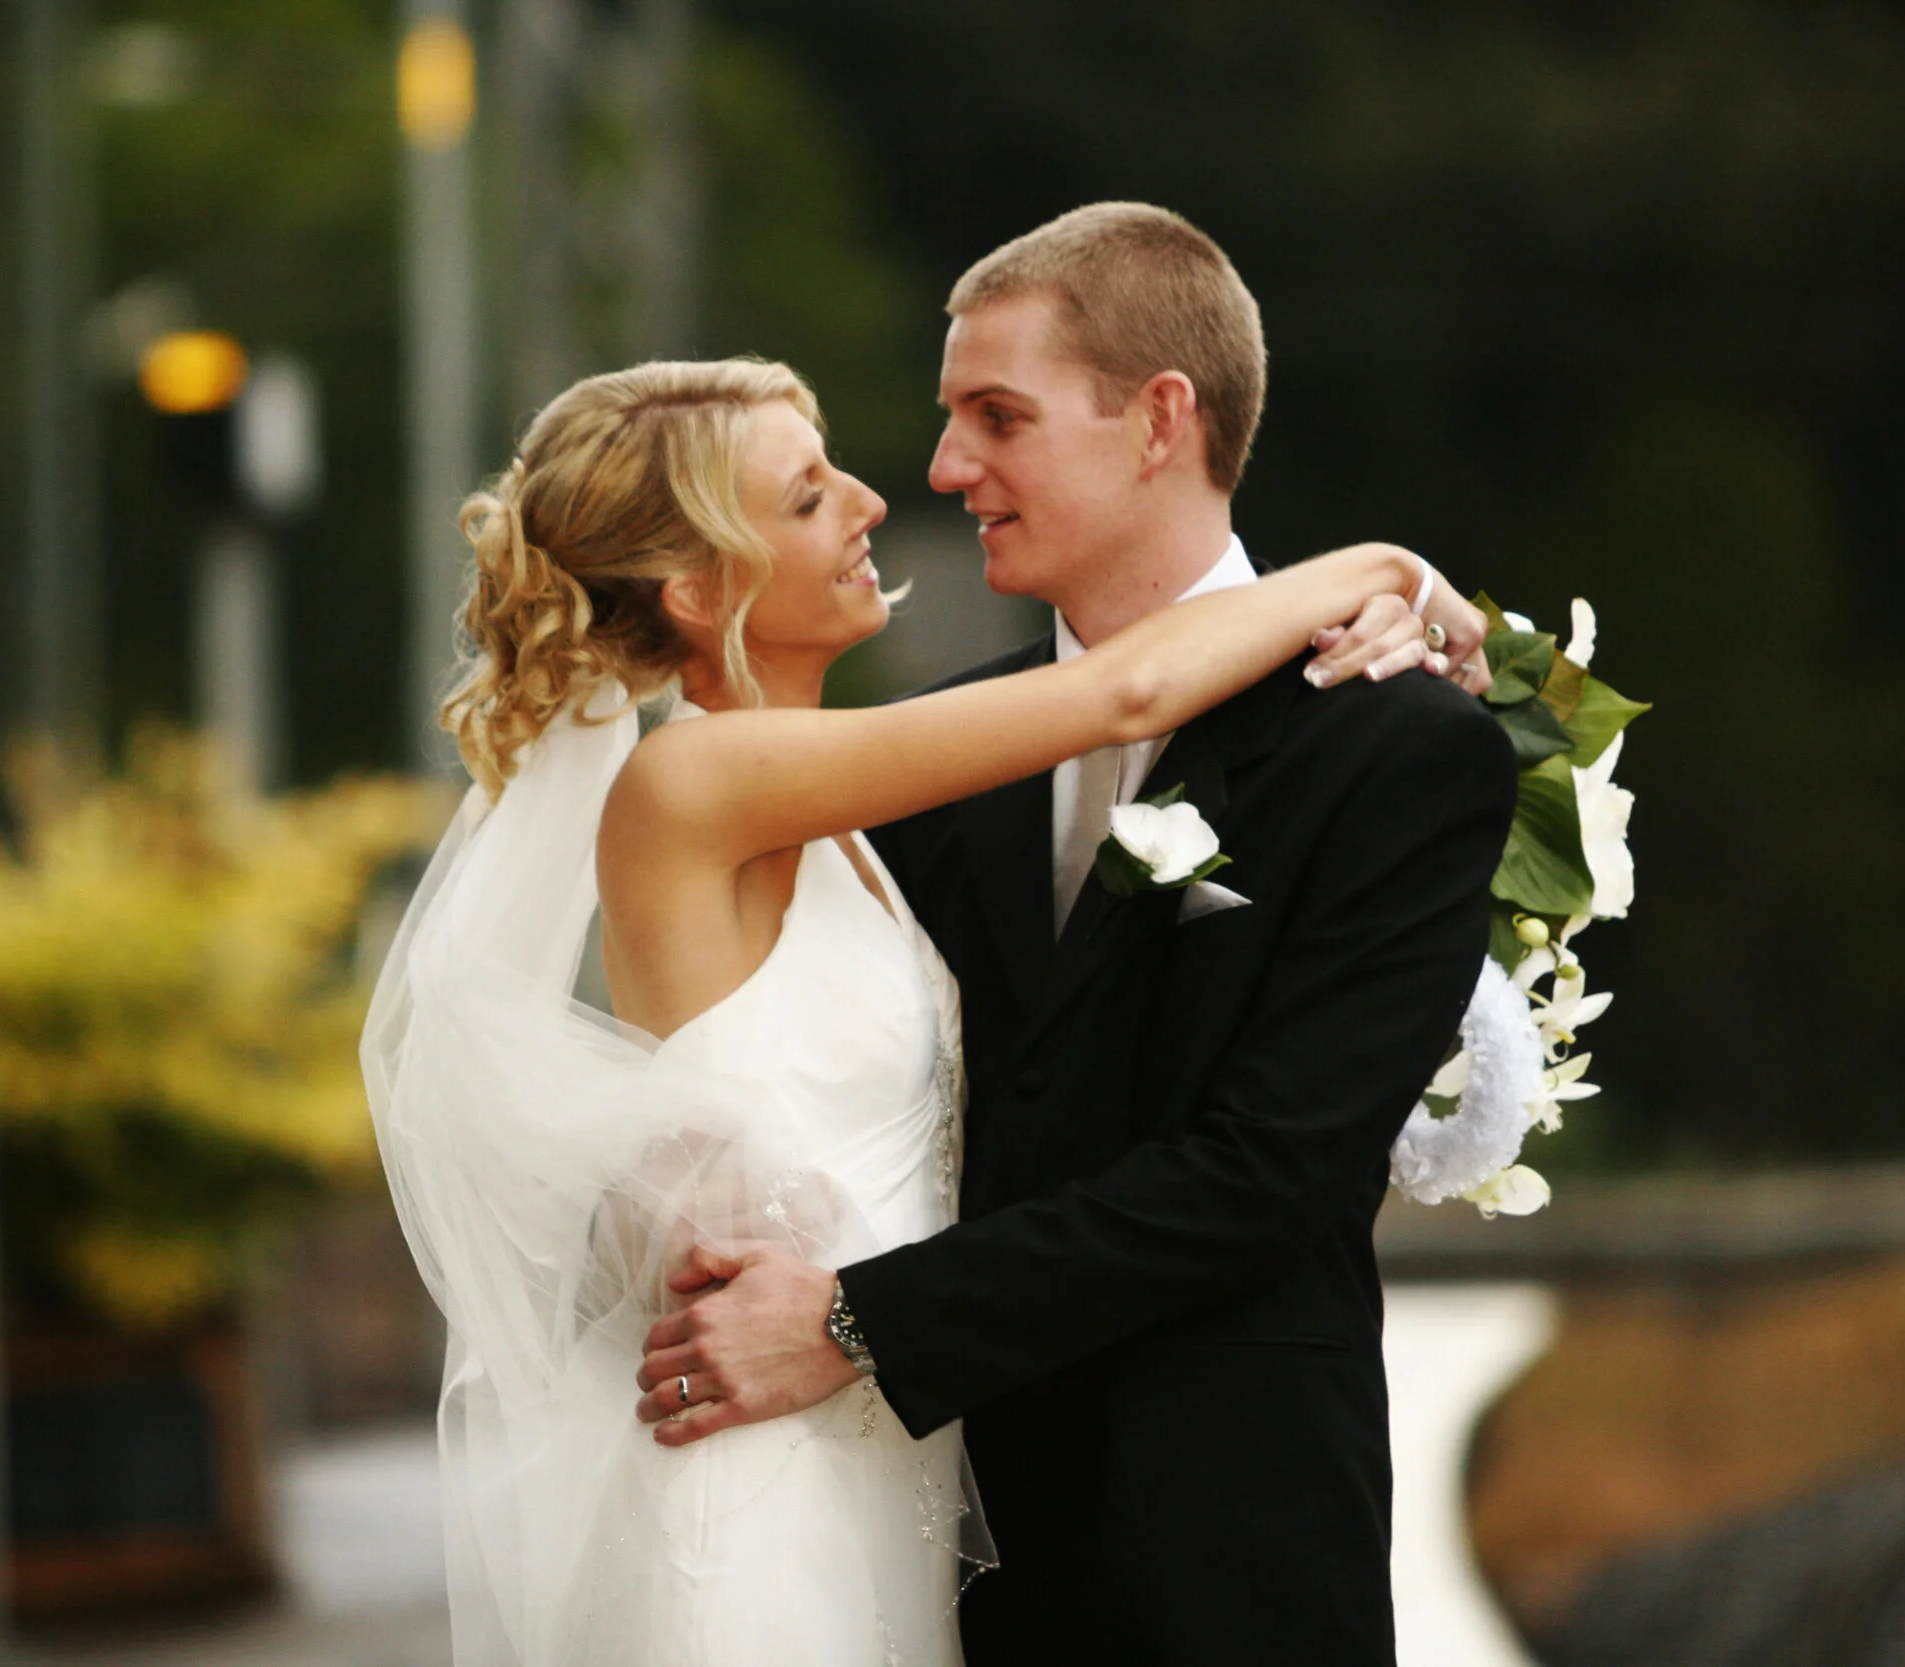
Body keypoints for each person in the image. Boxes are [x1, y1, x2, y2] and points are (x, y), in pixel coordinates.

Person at [362, 348, 1492, 1666]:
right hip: (769, 1472)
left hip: (898, 1462)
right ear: (695, 586)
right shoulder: (697, 782)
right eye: (802, 499)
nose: (872, 501)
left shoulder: (863, 819)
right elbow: (1119, 693)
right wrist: (1385, 571)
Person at [630, 204, 1522, 1665]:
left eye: (997, 417)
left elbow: (1268, 1173)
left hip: (1226, 1562)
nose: (941, 471)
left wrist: (858, 1324)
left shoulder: (1400, 747)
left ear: (1158, 419)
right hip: (921, 1550)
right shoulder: (927, 763)